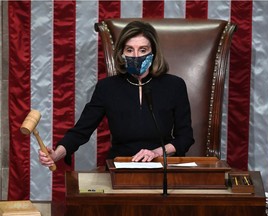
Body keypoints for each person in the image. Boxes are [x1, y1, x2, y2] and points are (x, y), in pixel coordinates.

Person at [39, 20, 195, 168]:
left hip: (162, 165)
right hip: (121, 166)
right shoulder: (107, 87)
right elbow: (81, 130)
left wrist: (157, 152)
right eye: (129, 49)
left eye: (143, 50)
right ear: (121, 53)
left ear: (153, 52)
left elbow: (185, 137)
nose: (136, 56)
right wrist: (57, 154)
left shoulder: (174, 85)